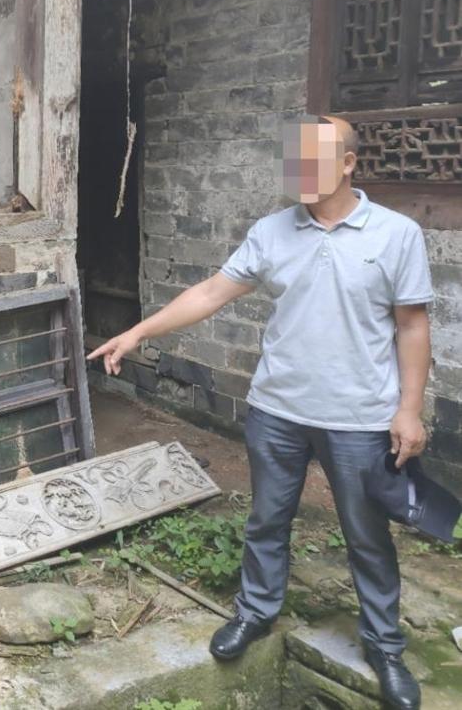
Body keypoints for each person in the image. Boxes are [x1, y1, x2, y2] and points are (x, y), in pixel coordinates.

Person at [88, 115, 434, 710]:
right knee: (267, 521)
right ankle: (255, 612)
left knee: (367, 536)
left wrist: (409, 410)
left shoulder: (396, 234)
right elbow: (211, 292)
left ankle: (384, 646)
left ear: (347, 163)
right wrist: (139, 332)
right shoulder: (272, 231)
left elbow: (412, 325)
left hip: (360, 417)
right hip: (277, 409)